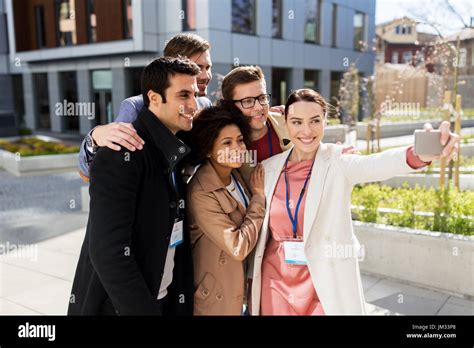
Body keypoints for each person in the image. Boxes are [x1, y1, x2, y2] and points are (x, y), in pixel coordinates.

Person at [248, 88, 459, 315]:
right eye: (297, 122)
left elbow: (375, 164)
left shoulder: (338, 160)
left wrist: (418, 154)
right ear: (287, 124)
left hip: (323, 281)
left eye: (315, 121)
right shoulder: (268, 169)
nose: (306, 130)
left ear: (326, 122)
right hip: (275, 282)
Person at [68, 57, 200, 315]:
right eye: (184, 95)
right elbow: (108, 252)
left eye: (195, 94)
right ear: (154, 97)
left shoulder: (176, 146)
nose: (193, 104)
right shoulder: (121, 152)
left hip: (164, 298)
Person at [78, 33, 213, 181]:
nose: (206, 75)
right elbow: (91, 175)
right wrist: (94, 137)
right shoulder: (135, 108)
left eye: (208, 67)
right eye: (199, 67)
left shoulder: (205, 105)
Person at [186, 105, 265, 315]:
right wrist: (258, 198)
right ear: (207, 150)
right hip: (215, 296)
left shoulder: (234, 173)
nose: (238, 148)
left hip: (239, 286)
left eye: (240, 140)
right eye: (226, 143)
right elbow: (237, 247)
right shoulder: (200, 192)